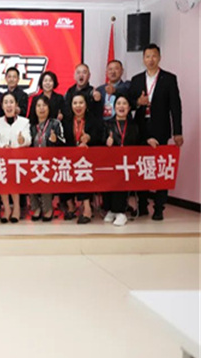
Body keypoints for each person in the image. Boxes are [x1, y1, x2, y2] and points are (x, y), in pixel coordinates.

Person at [128, 43, 183, 221]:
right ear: (143, 59)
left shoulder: (169, 78)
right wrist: (138, 102)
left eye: (154, 56)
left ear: (159, 58)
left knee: (161, 168)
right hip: (141, 128)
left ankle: (159, 207)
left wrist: (178, 131)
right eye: (147, 56)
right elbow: (128, 103)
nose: (150, 59)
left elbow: (175, 107)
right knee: (141, 167)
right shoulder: (136, 79)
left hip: (161, 128)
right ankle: (142, 205)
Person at [61, 92, 104, 224]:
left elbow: (99, 137)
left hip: (88, 160)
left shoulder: (93, 120)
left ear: (86, 105)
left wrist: (89, 138)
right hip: (69, 159)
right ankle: (71, 206)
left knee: (82, 171)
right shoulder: (66, 121)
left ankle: (87, 209)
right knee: (62, 172)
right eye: (75, 103)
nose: (78, 106)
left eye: (81, 103)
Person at [0, 93, 32, 223]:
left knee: (14, 180)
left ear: (16, 105)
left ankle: (16, 208)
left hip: (18, 159)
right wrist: (2, 146)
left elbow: (28, 139)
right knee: (3, 180)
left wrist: (22, 140)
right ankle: (6, 209)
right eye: (6, 102)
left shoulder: (24, 122)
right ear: (2, 106)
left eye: (11, 102)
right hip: (2, 158)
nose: (9, 105)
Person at [103, 94, 140, 227]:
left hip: (128, 163)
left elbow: (139, 142)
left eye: (124, 103)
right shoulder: (107, 124)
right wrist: (106, 142)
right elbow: (100, 142)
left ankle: (120, 212)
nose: (121, 106)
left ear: (129, 108)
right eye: (118, 104)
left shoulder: (134, 125)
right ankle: (112, 209)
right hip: (111, 161)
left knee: (121, 179)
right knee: (108, 179)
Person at [29, 95, 65, 222]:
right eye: (38, 106)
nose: (41, 108)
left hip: (51, 161)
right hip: (33, 161)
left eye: (44, 105)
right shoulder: (31, 126)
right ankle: (36, 208)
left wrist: (55, 141)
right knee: (28, 176)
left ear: (49, 108)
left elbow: (64, 142)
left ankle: (48, 209)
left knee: (45, 176)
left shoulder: (55, 123)